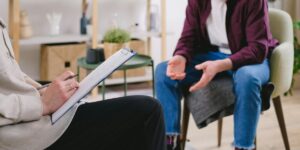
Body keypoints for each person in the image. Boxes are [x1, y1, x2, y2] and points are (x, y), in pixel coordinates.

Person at [0, 18, 166, 150]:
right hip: (25, 135)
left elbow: (11, 76)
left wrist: (43, 91)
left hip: (33, 121)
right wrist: (42, 104)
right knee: (148, 111)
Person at [155, 0, 278, 150]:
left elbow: (258, 49)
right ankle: (170, 142)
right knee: (163, 71)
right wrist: (181, 56)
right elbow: (189, 37)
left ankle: (243, 146)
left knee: (247, 78)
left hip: (251, 58)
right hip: (214, 55)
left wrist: (220, 65)